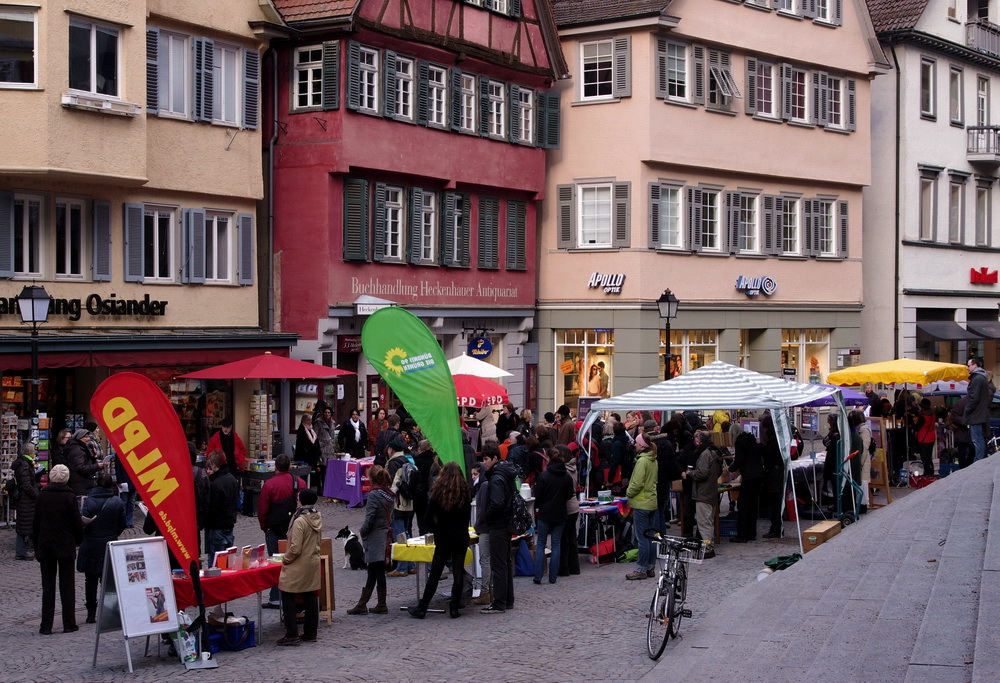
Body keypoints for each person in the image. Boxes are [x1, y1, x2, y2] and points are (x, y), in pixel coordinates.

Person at [407, 462, 472, 619]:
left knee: (435, 573)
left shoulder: (439, 493)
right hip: (461, 536)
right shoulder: (465, 493)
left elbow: (428, 518)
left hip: (444, 537)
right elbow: (467, 517)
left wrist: (436, 529)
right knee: (457, 571)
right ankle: (454, 607)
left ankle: (423, 607)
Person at [33, 464, 84, 635]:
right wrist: (79, 539)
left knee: (48, 587)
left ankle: (46, 625)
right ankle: (69, 623)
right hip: (65, 545)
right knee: (67, 586)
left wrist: (36, 546)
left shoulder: (42, 496)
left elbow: (36, 523)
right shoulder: (69, 497)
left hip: (46, 545)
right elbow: (77, 523)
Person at [258, 454, 307, 609]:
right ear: (290, 467)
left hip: (275, 528)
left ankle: (275, 597)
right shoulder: (300, 483)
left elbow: (262, 510)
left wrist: (265, 527)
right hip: (295, 529)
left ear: (276, 467)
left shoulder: (269, 485)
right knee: (295, 559)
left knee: (274, 561)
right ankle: (295, 594)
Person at [76, 472, 126, 624]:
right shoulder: (117, 502)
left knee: (90, 580)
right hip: (109, 545)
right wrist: (111, 534)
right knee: (109, 581)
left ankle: (91, 613)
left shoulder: (89, 502)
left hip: (91, 544)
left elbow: (83, 523)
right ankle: (110, 612)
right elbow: (122, 524)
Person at [276, 488, 322, 645]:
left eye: (298, 499)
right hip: (312, 561)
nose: (296, 501)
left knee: (287, 593)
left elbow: (295, 548)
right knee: (310, 595)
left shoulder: (300, 521)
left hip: (299, 563)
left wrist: (285, 559)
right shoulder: (316, 516)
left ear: (301, 501)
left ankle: (292, 633)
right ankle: (310, 632)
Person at [347, 465, 394, 615]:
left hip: (375, 536)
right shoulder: (388, 494)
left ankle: (378, 604)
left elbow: (370, 518)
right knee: (374, 570)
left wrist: (363, 531)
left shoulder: (374, 495)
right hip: (384, 533)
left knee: (377, 570)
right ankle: (364, 604)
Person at [481, 444, 518, 614]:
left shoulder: (496, 478)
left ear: (495, 458)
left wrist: (487, 516)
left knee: (499, 564)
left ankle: (500, 602)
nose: (484, 463)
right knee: (505, 563)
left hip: (498, 525)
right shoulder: (505, 473)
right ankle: (507, 600)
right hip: (506, 523)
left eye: (486, 459)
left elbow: (497, 503)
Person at [532, 448, 574, 585]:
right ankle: (553, 576)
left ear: (548, 459)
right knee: (556, 544)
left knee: (541, 544)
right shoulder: (566, 476)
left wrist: (539, 505)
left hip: (545, 513)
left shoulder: (544, 476)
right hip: (560, 513)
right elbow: (569, 495)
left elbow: (538, 496)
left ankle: (538, 576)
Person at [626, 432, 659, 578]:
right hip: (651, 500)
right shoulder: (653, 459)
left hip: (641, 503)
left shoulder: (642, 461)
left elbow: (637, 483)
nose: (634, 444)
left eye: (637, 443)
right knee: (651, 537)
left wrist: (628, 493)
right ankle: (650, 567)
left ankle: (640, 569)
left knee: (642, 538)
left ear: (642, 445)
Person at [686, 430, 724, 558]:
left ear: (701, 441)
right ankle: (708, 545)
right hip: (710, 490)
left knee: (704, 523)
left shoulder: (705, 454)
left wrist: (691, 473)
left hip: (703, 491)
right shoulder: (715, 452)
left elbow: (702, 473)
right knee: (708, 521)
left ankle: (708, 548)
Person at [729, 431, 764, 543]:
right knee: (753, 505)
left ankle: (742, 534)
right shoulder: (753, 441)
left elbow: (739, 460)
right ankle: (751, 533)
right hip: (758, 475)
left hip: (749, 476)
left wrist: (729, 469)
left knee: (742, 505)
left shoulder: (740, 442)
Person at [203, 450, 239, 558]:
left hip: (217, 528)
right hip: (229, 525)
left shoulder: (216, 484)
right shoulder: (232, 479)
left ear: (214, 465)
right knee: (227, 561)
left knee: (215, 561)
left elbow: (212, 509)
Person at [12, 441, 40, 560]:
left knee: (26, 524)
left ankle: (24, 550)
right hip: (26, 499)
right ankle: (21, 551)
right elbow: (26, 485)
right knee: (25, 525)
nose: (35, 453)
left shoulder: (25, 463)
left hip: (26, 499)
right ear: (30, 452)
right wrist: (36, 495)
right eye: (34, 451)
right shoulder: (24, 465)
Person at [472, 454, 493, 606]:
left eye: (475, 474)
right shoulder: (482, 485)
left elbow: (483, 510)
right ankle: (488, 590)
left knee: (485, 559)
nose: (473, 477)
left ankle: (486, 591)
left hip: (485, 527)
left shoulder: (484, 486)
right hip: (485, 526)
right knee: (486, 559)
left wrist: (478, 524)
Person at [557, 443, 582, 577]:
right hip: (574, 505)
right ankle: (574, 567)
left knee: (564, 538)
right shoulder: (573, 467)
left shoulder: (564, 470)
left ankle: (564, 567)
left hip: (567, 506)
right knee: (571, 537)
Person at [760, 415, 785, 539]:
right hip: (776, 474)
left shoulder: (773, 439)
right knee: (775, 503)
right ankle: (777, 527)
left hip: (774, 476)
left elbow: (769, 454)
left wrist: (760, 446)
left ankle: (776, 528)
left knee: (774, 504)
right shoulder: (776, 437)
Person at [966, 357, 992, 462]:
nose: (967, 368)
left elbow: (974, 397)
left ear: (975, 365)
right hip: (979, 413)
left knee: (977, 439)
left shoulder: (977, 378)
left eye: (968, 365)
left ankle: (978, 460)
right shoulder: (981, 378)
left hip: (976, 414)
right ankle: (980, 459)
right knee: (979, 439)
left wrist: (968, 409)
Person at [65, 429, 102, 498]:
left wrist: (93, 456)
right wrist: (97, 466)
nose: (88, 439)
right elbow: (80, 467)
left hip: (82, 484)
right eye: (86, 437)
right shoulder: (78, 450)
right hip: (80, 485)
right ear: (80, 438)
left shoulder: (82, 448)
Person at [294, 414, 321, 489]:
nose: (309, 422)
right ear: (303, 421)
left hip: (312, 456)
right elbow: (304, 444)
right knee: (305, 474)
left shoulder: (312, 430)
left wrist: (317, 450)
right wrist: (313, 449)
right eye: (308, 420)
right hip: (304, 457)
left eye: (310, 420)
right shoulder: (302, 430)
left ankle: (312, 486)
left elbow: (316, 442)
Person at [914, 398, 936, 477]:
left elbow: (917, 427)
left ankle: (927, 474)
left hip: (924, 438)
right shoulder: (933, 414)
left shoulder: (923, 416)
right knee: (929, 458)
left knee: (924, 458)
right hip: (932, 437)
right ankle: (931, 473)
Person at [950, 396, 972, 468]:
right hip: (962, 432)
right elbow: (954, 416)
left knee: (971, 454)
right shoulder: (962, 402)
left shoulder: (978, 401)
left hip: (971, 434)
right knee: (962, 454)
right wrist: (964, 421)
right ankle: (963, 470)